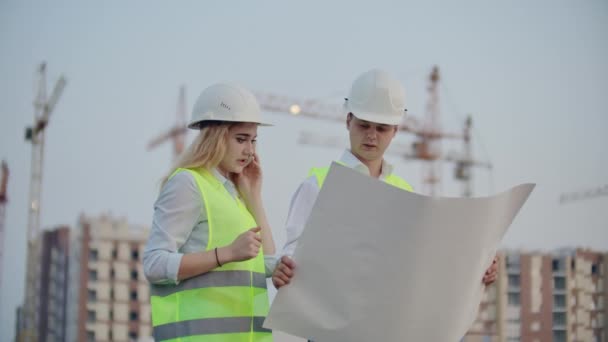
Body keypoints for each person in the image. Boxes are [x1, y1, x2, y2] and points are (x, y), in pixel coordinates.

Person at [272, 69, 498, 290]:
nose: (371, 135)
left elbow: (424, 258)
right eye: (364, 125)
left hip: (386, 317)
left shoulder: (405, 192)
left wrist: (477, 269)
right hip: (329, 315)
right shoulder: (318, 184)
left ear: (395, 131)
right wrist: (283, 268)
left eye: (382, 128)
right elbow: (292, 251)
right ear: (348, 120)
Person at [144, 82, 275, 341]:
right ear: (215, 136)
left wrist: (254, 196)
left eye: (253, 140)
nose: (250, 151)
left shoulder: (232, 194)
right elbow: (154, 264)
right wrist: (225, 254)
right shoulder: (188, 184)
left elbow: (266, 264)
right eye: (241, 139)